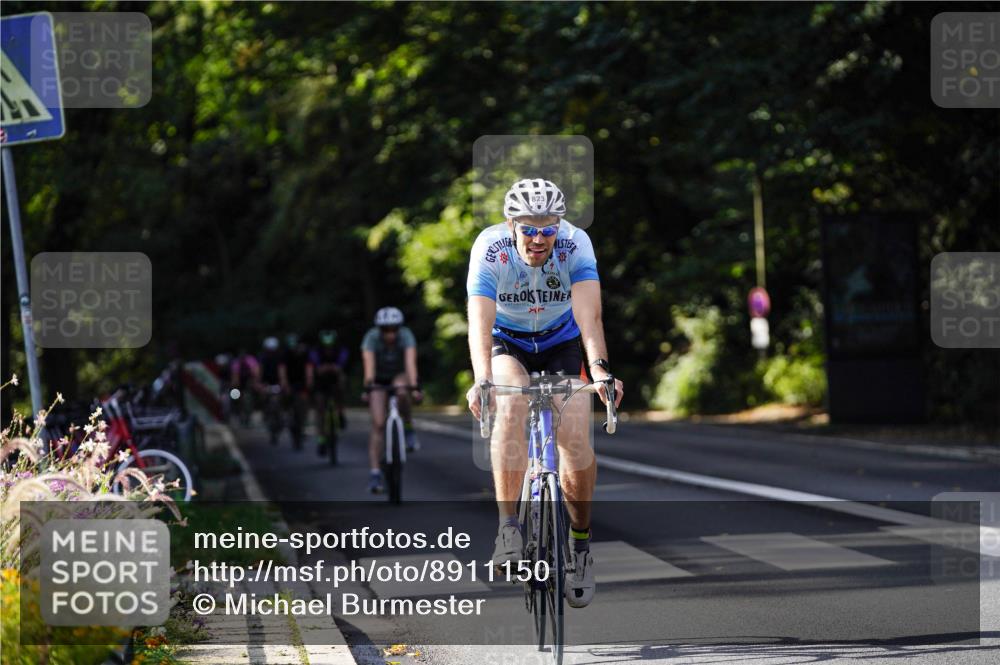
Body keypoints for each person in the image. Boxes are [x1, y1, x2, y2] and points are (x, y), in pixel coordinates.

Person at [465, 178, 624, 609]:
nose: (538, 238)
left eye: (548, 228)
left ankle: (580, 545)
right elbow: (480, 322)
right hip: (508, 342)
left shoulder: (576, 244)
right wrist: (482, 378)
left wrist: (600, 371)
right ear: (511, 225)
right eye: (529, 229)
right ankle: (508, 529)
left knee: (575, 434)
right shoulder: (490, 248)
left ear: (560, 225)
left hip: (560, 342)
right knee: (510, 400)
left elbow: (589, 317)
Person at [360, 307, 423, 493]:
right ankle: (375, 474)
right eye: (385, 330)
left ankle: (408, 426)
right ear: (379, 330)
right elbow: (369, 367)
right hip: (378, 380)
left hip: (398, 376)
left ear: (399, 328)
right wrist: (368, 388)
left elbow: (410, 364)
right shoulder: (371, 338)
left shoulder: (406, 335)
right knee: (378, 424)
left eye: (394, 329)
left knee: (402, 391)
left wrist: (415, 388)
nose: (390, 334)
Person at [312, 330, 348, 456]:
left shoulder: (340, 350)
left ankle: (341, 412)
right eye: (326, 346)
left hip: (335, 381)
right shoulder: (316, 351)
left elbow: (343, 361)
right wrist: (323, 368)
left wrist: (336, 367)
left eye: (330, 346)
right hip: (321, 383)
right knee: (320, 408)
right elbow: (315, 365)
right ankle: (321, 438)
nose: (328, 349)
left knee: (342, 382)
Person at [279, 333, 314, 450]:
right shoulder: (285, 354)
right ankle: (285, 415)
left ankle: (302, 424)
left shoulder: (305, 353)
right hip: (290, 383)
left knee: (303, 405)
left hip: (302, 383)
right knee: (286, 401)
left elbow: (309, 369)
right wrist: (285, 384)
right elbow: (282, 370)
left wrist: (309, 382)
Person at [258, 336, 285, 445]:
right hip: (266, 384)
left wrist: (282, 383)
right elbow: (260, 372)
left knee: (278, 401)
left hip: (277, 384)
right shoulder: (263, 358)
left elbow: (282, 372)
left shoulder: (280, 359)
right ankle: (264, 414)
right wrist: (260, 384)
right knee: (263, 398)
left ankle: (281, 416)